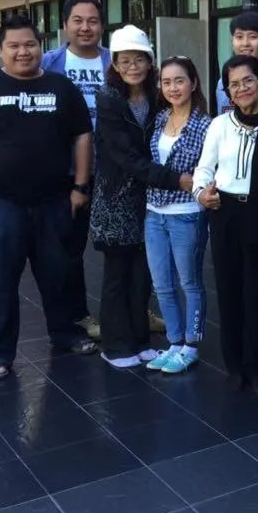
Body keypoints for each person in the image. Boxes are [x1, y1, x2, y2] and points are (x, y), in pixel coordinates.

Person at [0, 0, 164, 339]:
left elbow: (156, 89)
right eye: (77, 20)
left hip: (121, 173)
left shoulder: (120, 61)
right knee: (68, 252)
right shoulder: (47, 62)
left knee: (134, 244)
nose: (85, 27)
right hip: (65, 176)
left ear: (101, 26)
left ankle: (139, 307)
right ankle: (79, 317)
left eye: (92, 21)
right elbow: (5, 81)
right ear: (64, 26)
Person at [0, 14, 97, 380]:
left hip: (55, 200)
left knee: (58, 275)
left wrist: (80, 186)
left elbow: (82, 137)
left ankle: (65, 334)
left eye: (29, 44)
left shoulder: (63, 88)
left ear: (41, 47)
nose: (22, 51)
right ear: (0, 50)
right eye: (13, 45)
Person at [90, 26, 193, 369]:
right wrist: (177, 179)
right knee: (117, 274)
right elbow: (125, 157)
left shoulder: (156, 96)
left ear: (150, 63)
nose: (133, 66)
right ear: (115, 65)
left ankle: (138, 340)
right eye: (125, 60)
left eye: (139, 59)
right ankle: (116, 346)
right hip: (117, 199)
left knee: (142, 272)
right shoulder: (108, 99)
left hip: (148, 198)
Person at [194, 55, 258, 392]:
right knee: (228, 289)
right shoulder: (219, 125)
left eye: (248, 81)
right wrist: (200, 193)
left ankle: (257, 366)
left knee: (257, 290)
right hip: (224, 212)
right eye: (234, 84)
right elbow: (204, 168)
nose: (241, 89)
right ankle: (234, 365)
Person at [143, 56, 212, 374]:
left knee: (190, 282)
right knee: (162, 284)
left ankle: (191, 344)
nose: (173, 87)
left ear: (193, 83)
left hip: (186, 213)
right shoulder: (158, 119)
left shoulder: (206, 124)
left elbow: (208, 170)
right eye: (166, 81)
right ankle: (173, 342)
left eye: (179, 80)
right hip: (154, 212)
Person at [214, 12, 258, 113]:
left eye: (252, 37)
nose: (245, 43)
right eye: (239, 37)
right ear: (232, 42)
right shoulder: (223, 82)